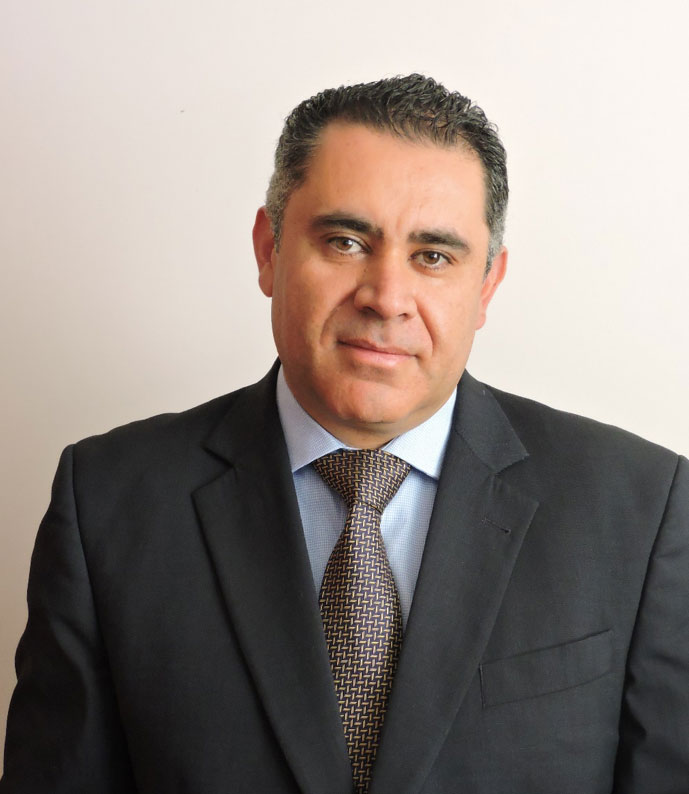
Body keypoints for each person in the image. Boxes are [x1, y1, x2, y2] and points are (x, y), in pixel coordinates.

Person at [1, 74, 687, 794]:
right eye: (346, 241)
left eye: (433, 256)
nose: (386, 298)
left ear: (487, 284)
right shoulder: (107, 500)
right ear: (268, 250)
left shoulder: (642, 510)